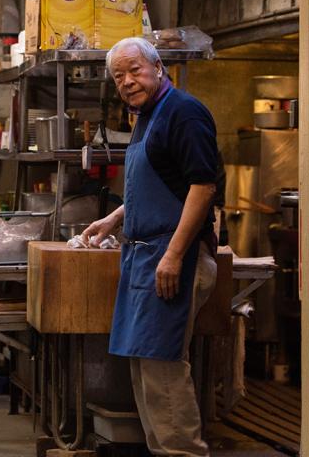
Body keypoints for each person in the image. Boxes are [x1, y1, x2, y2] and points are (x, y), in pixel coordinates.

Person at [81, 36, 220, 457]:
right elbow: (158, 184)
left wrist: (175, 255)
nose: (126, 81)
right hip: (143, 256)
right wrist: (115, 217)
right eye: (118, 76)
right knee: (145, 369)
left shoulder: (184, 112)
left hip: (173, 256)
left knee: (163, 369)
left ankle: (184, 453)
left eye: (134, 70)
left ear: (159, 68)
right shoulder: (147, 115)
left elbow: (202, 186)